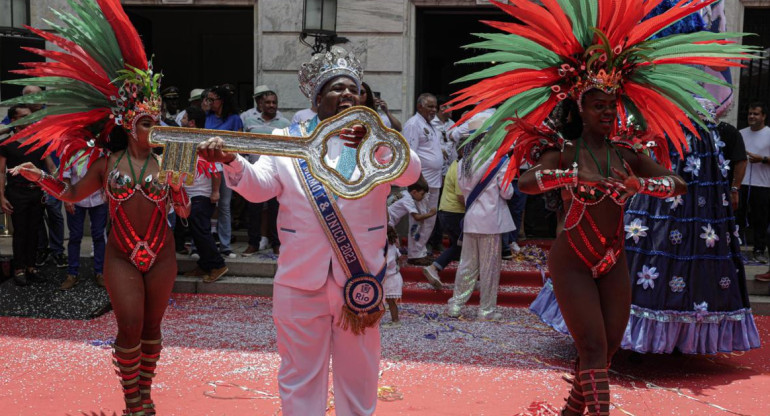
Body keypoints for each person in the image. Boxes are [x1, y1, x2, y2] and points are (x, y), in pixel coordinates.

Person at [444, 1, 748, 413]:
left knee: (603, 352)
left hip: (613, 260)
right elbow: (527, 182)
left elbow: (677, 182)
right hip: (572, 263)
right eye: (597, 105)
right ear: (580, 109)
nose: (607, 112)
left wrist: (640, 184)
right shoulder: (564, 151)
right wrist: (571, 178)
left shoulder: (627, 153)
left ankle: (572, 410)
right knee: (590, 348)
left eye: (611, 105)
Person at [196, 46, 420, 415]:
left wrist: (378, 136)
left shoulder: (379, 144)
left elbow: (410, 174)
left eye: (354, 89)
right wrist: (232, 162)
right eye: (336, 88)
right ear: (317, 99)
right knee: (299, 377)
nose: (347, 94)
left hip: (360, 281)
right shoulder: (289, 140)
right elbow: (258, 187)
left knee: (360, 378)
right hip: (300, 281)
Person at [2, 2, 192, 414]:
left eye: (156, 120)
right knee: (128, 326)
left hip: (162, 254)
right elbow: (71, 195)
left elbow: (185, 212)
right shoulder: (107, 164)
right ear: (127, 123)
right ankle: (132, 402)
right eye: (146, 121)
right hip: (121, 255)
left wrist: (179, 191)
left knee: (154, 327)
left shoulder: (170, 161)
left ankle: (146, 393)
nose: (153, 127)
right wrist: (41, 177)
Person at [446, 118, 514, 321]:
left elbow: (464, 189)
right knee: (489, 268)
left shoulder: (463, 161)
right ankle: (486, 310)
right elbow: (507, 192)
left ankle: (456, 305)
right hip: (491, 221)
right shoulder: (499, 159)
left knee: (466, 265)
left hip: (471, 219)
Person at [0, 104, 55, 286]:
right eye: (25, 116)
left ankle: (32, 267)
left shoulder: (40, 140)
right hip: (16, 192)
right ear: (14, 120)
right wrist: (1, 197)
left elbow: (50, 167)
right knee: (20, 231)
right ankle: (19, 268)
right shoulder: (6, 144)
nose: (30, 120)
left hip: (36, 192)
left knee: (35, 231)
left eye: (31, 116)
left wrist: (58, 188)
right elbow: (1, 172)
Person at [178, 106, 229, 283]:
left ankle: (218, 265)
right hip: (188, 195)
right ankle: (205, 265)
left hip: (202, 195)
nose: (181, 121)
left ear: (191, 122)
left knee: (201, 232)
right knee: (195, 231)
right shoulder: (185, 141)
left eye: (184, 118)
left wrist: (215, 192)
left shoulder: (206, 142)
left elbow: (216, 170)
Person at [241, 88, 290, 256]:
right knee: (253, 210)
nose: (271, 105)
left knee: (276, 211)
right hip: (254, 172)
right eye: (268, 102)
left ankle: (277, 243)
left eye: (274, 102)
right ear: (261, 104)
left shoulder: (285, 124)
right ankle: (253, 243)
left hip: (277, 175)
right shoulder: (249, 121)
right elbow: (243, 146)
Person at [59, 148, 109, 290]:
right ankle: (72, 274)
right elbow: (66, 176)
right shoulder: (70, 149)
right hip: (76, 198)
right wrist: (67, 198)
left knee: (99, 235)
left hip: (98, 198)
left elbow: (106, 172)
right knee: (75, 236)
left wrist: (107, 193)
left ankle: (100, 273)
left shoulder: (101, 149)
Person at [205, 85, 243, 259]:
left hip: (226, 166)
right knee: (206, 204)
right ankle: (204, 245)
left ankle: (225, 246)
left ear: (222, 101)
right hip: (207, 167)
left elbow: (240, 142)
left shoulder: (235, 119)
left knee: (225, 206)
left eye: (212, 99)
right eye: (208, 99)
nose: (209, 103)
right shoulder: (207, 117)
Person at [403, 93, 442, 265]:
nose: (434, 110)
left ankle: (421, 250)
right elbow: (410, 153)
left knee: (430, 218)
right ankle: (414, 253)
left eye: (435, 107)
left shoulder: (430, 124)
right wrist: (417, 179)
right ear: (419, 107)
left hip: (434, 180)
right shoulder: (413, 124)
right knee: (419, 218)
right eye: (430, 106)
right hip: (421, 181)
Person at [737, 102, 770, 263]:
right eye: (750, 113)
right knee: (739, 217)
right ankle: (736, 249)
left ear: (763, 116)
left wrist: (762, 159)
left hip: (763, 185)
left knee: (760, 219)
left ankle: (759, 250)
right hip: (741, 183)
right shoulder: (740, 134)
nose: (751, 116)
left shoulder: (769, 134)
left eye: (756, 114)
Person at [388, 177, 436, 256]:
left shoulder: (403, 192)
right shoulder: (408, 200)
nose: (423, 197)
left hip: (384, 219)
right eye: (422, 194)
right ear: (414, 192)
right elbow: (416, 217)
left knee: (392, 243)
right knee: (394, 244)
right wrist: (431, 214)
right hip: (388, 222)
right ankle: (393, 264)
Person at [381, 226, 404, 329]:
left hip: (391, 279)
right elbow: (399, 256)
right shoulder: (392, 246)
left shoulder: (388, 249)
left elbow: (387, 263)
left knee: (391, 302)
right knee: (389, 301)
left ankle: (395, 320)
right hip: (392, 276)